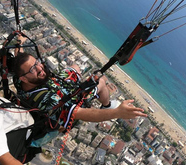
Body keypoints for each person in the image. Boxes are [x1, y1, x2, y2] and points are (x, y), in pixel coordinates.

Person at [13, 52, 147, 128]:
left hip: (53, 86)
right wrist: (117, 112)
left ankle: (81, 83)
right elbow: (82, 114)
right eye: (33, 69)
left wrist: (20, 43)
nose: (40, 69)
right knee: (101, 81)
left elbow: (21, 62)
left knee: (76, 67)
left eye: (37, 63)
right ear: (24, 78)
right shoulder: (48, 100)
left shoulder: (21, 80)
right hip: (65, 102)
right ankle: (107, 105)